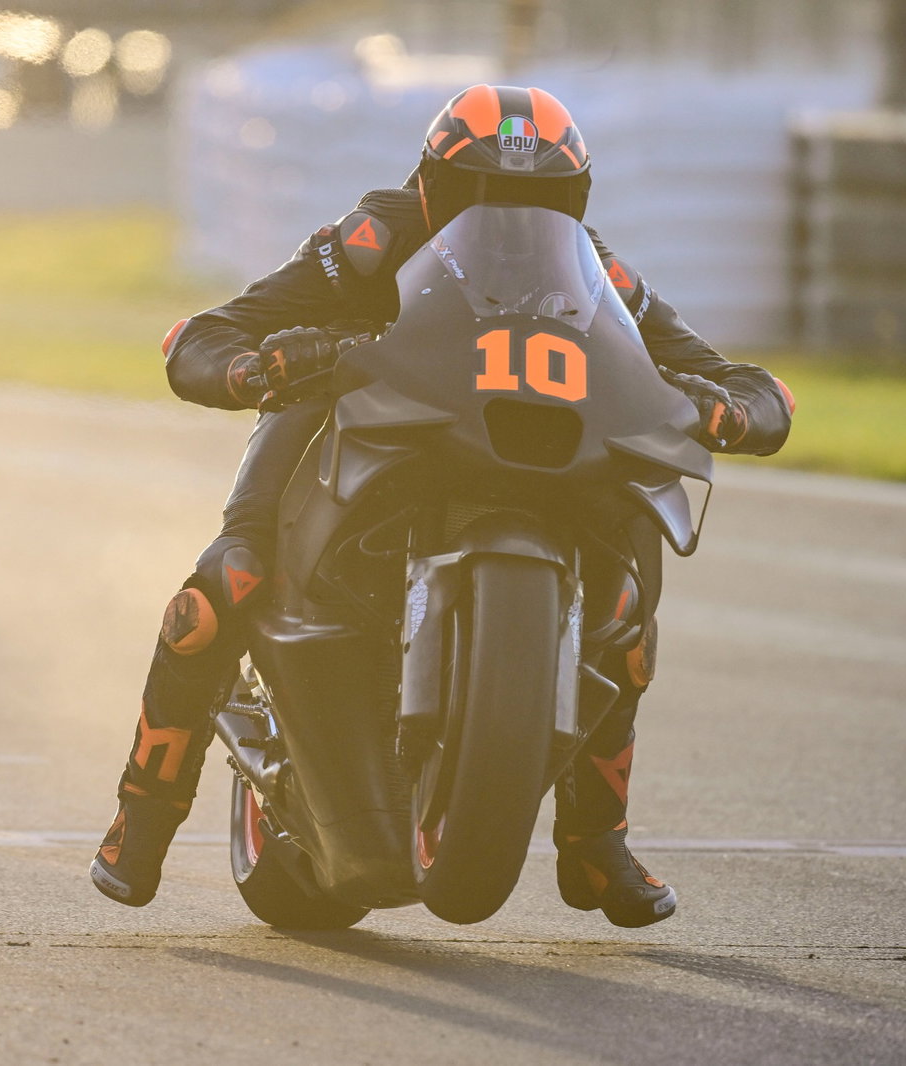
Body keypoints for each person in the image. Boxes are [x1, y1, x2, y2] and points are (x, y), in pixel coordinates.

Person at [90, 85, 794, 926]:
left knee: (627, 609)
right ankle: (143, 816)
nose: (507, 217)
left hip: (529, 451)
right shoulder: (370, 241)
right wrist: (254, 367)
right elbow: (206, 331)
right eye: (480, 194)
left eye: (535, 200)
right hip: (357, 422)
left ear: (570, 202)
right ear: (433, 185)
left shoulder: (596, 274)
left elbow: (730, 373)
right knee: (224, 585)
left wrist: (734, 406)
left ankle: (594, 842)